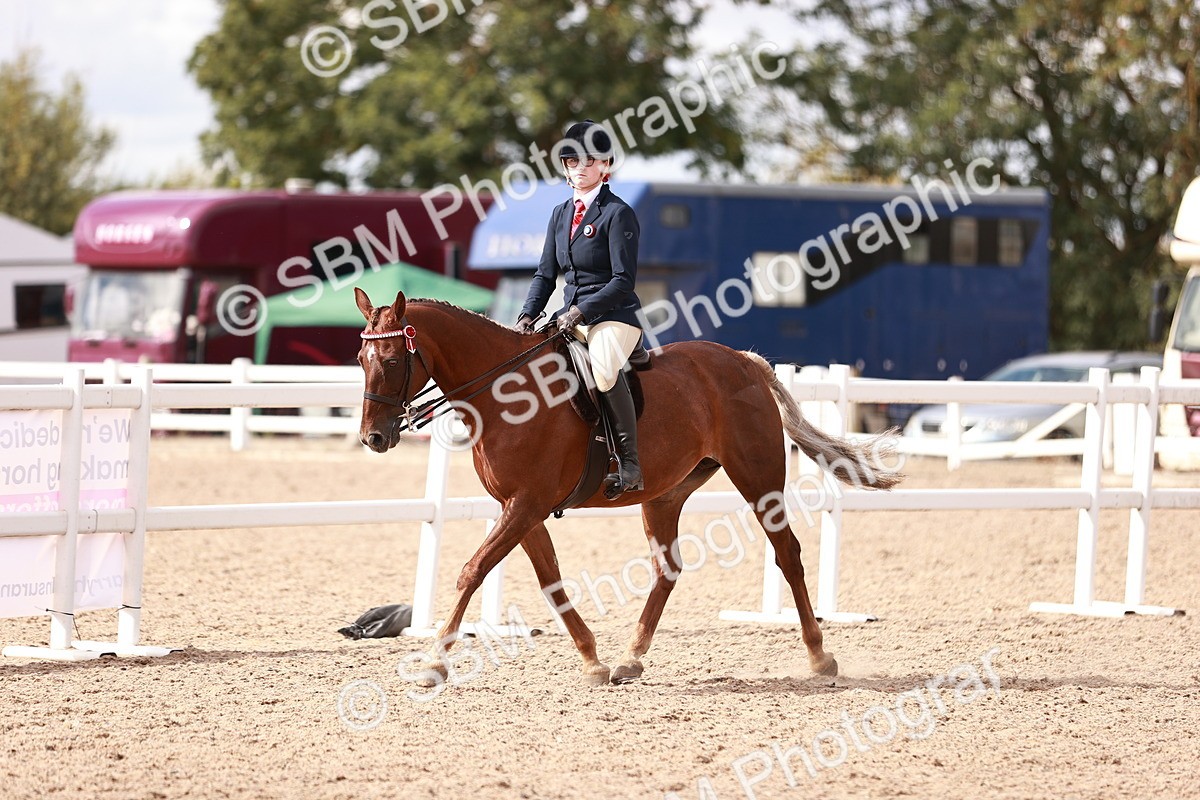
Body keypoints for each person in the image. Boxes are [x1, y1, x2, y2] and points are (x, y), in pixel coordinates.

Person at [514, 119, 645, 497]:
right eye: (573, 161)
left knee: (603, 370)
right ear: (565, 167)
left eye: (590, 160)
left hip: (613, 316)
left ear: (606, 165)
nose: (581, 168)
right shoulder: (559, 214)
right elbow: (545, 274)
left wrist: (581, 311)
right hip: (568, 316)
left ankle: (630, 463)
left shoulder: (618, 213)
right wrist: (527, 315)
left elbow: (623, 280)